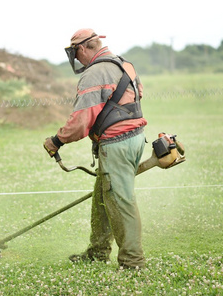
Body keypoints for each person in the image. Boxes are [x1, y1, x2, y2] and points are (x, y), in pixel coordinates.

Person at [43, 29, 148, 269]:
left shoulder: (95, 73)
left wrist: (56, 140)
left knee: (121, 203)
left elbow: (81, 121)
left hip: (116, 145)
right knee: (103, 198)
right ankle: (98, 252)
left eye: (75, 54)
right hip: (134, 140)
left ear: (82, 48)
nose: (77, 59)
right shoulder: (125, 65)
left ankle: (133, 262)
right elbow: (137, 95)